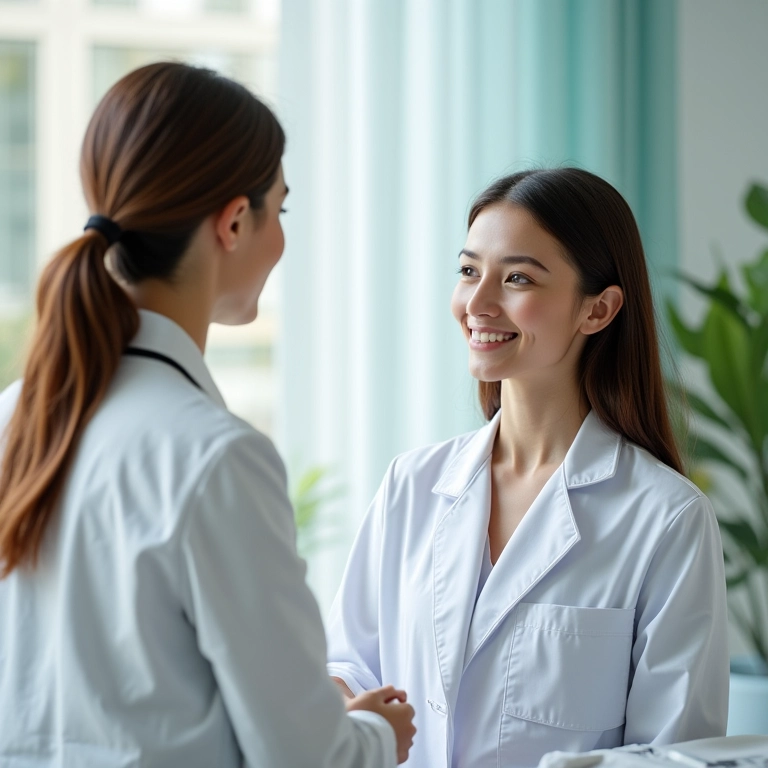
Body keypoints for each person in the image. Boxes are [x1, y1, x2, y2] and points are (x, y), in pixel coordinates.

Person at [0, 62, 415, 767]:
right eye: (280, 211)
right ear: (234, 222)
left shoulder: (15, 417)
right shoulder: (216, 457)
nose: (281, 239)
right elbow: (307, 760)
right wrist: (377, 734)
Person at [326, 168, 729, 768]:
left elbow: (673, 754)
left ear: (598, 310)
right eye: (469, 271)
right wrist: (343, 706)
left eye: (517, 278)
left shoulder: (667, 519)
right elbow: (348, 663)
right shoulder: (410, 485)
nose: (477, 304)